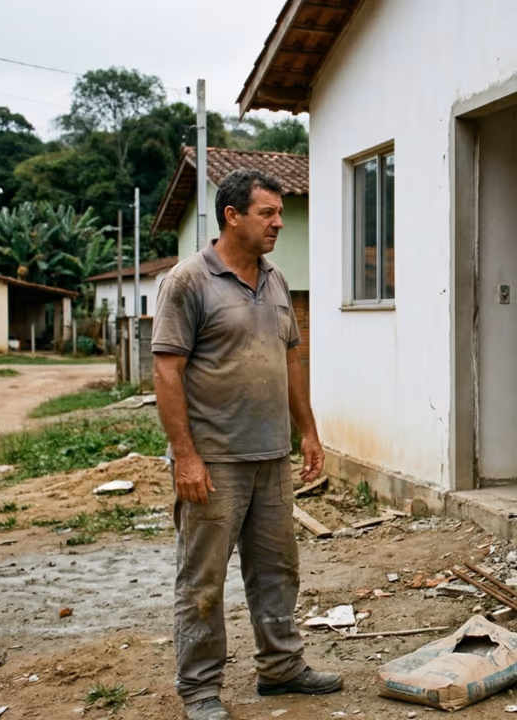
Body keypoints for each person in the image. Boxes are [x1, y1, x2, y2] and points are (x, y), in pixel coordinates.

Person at [152, 169, 341, 720]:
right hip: (214, 461)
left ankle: (281, 669)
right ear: (232, 216)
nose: (279, 223)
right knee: (203, 578)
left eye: (280, 213)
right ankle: (201, 689)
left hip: (269, 457)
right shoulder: (188, 281)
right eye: (268, 213)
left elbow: (290, 362)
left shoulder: (276, 280)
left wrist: (307, 430)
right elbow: (166, 372)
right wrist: (185, 456)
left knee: (278, 568)